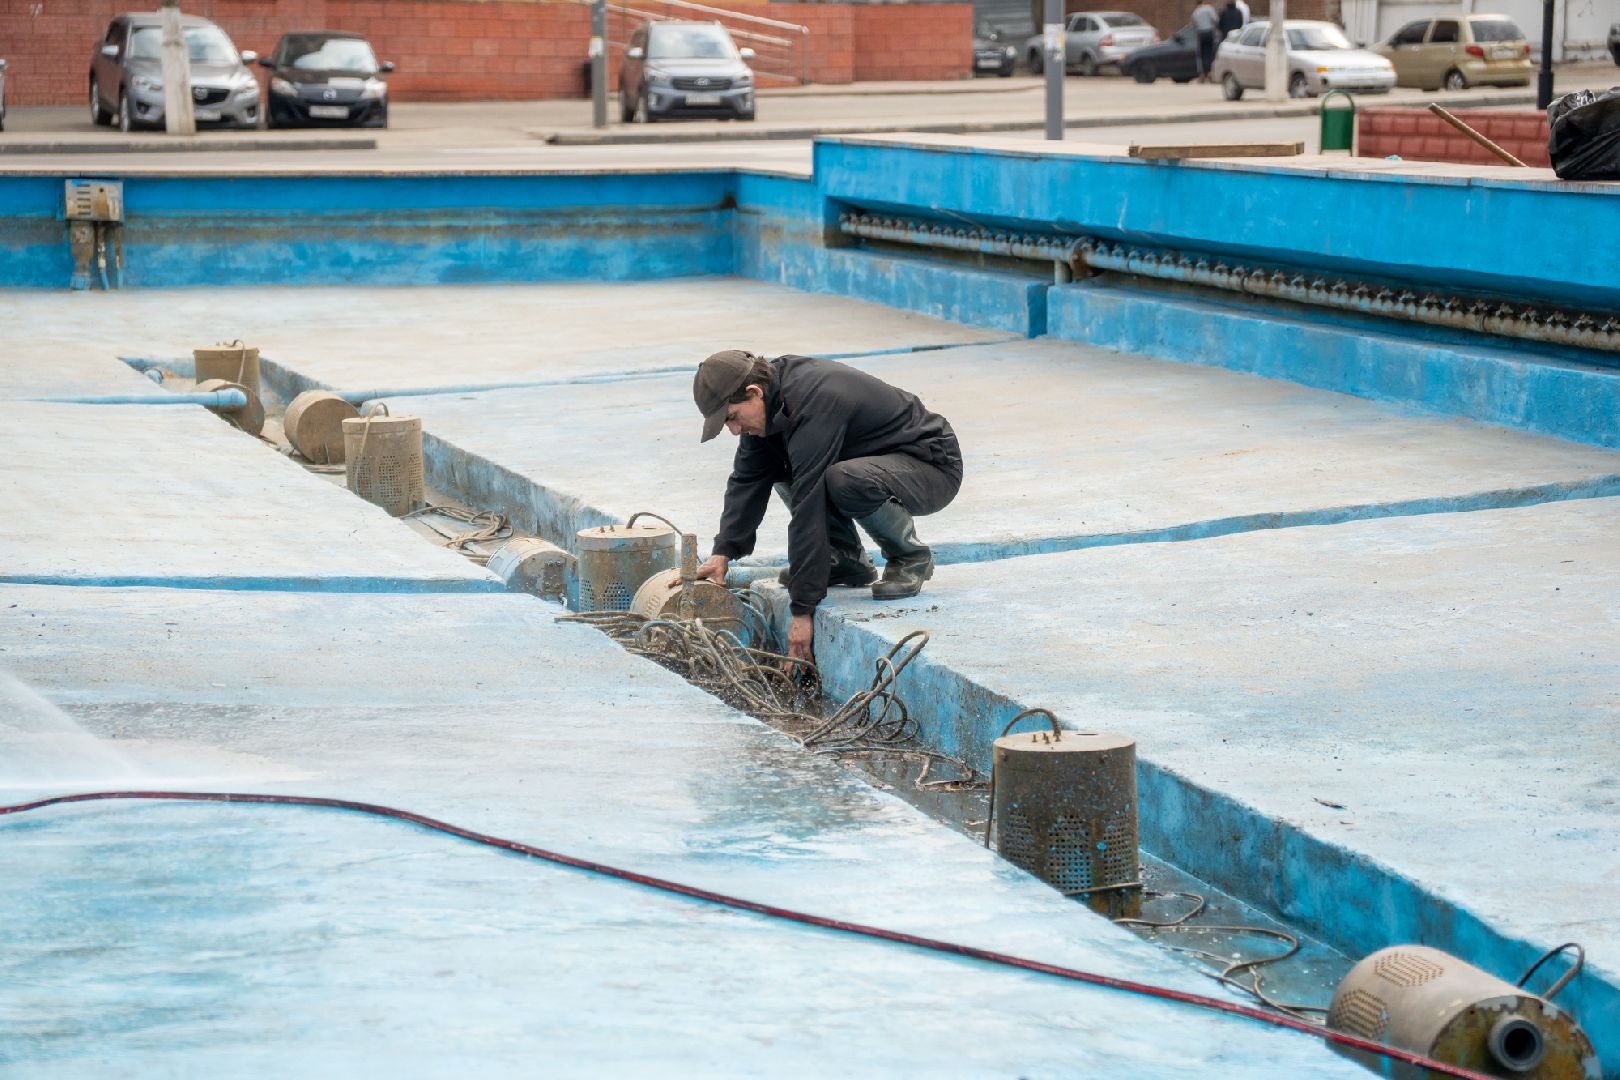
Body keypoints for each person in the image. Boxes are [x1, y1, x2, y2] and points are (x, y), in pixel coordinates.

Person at [691, 349, 962, 668]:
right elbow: (748, 479)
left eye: (732, 418)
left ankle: (909, 556)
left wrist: (802, 611)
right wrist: (723, 552)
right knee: (779, 465)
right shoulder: (771, 400)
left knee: (841, 480)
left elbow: (809, 504)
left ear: (753, 392)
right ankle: (844, 558)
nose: (734, 431)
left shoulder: (813, 400)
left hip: (931, 466)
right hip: (876, 466)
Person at [1191, 0, 1220, 81]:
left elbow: (1194, 25)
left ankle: (1203, 73)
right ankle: (1210, 72)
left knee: (1202, 54)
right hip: (1209, 32)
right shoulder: (1209, 8)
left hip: (1200, 34)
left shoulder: (1195, 13)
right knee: (1210, 53)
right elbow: (1215, 19)